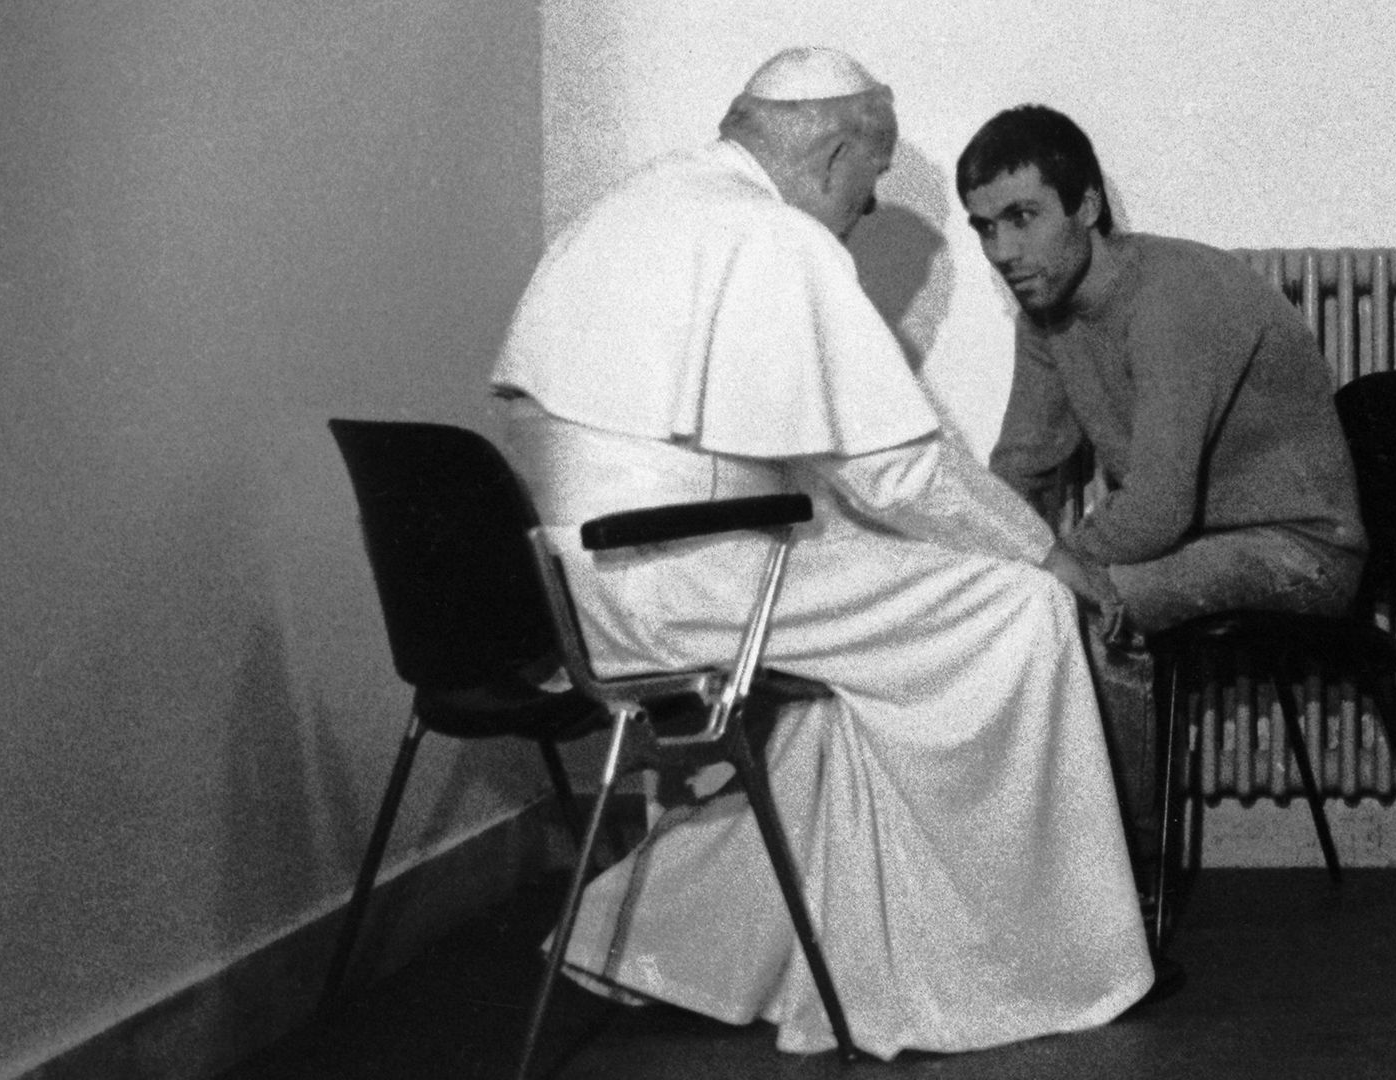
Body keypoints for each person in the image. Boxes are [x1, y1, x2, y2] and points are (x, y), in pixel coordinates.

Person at [488, 49, 1155, 1059]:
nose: (870, 200)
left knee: (868, 666)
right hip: (676, 577)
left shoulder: (643, 201)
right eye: (873, 178)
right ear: (837, 151)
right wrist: (1045, 554)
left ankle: (680, 941)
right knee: (1017, 606)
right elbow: (897, 468)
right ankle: (1032, 968)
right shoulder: (770, 234)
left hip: (593, 579)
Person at [955, 104, 1368, 886]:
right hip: (1200, 541)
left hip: (1300, 550)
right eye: (984, 229)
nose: (1003, 251)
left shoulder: (1174, 296)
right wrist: (980, 561)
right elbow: (1023, 467)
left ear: (1086, 206)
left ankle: (1126, 891)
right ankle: (1026, 874)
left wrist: (1055, 564)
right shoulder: (1047, 313)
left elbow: (1158, 507)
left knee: (1094, 606)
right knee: (1006, 599)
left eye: (1023, 217)